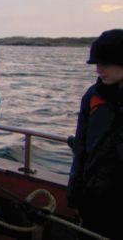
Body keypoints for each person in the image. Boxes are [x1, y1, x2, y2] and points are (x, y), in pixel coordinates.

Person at [67, 29, 123, 239]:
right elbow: (80, 146)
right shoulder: (92, 97)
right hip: (94, 196)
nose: (98, 70)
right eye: (96, 64)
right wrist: (74, 190)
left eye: (104, 63)